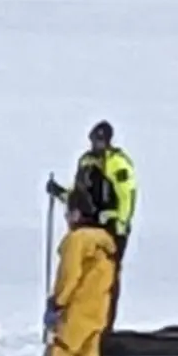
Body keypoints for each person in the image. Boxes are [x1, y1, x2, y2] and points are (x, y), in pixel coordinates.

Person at [28, 188, 117, 356]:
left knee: (61, 350)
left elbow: (70, 274)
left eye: (68, 214)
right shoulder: (104, 242)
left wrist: (57, 302)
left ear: (77, 214)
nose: (66, 219)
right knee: (88, 351)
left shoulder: (77, 240)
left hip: (77, 307)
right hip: (99, 307)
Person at [46, 120, 137, 329]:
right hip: (86, 227)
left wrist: (119, 221)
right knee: (80, 275)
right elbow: (79, 195)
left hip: (110, 229)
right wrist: (60, 193)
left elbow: (126, 196)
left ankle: (104, 327)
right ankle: (76, 323)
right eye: (94, 139)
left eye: (100, 140)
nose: (97, 144)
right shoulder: (86, 162)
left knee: (105, 279)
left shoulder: (118, 164)